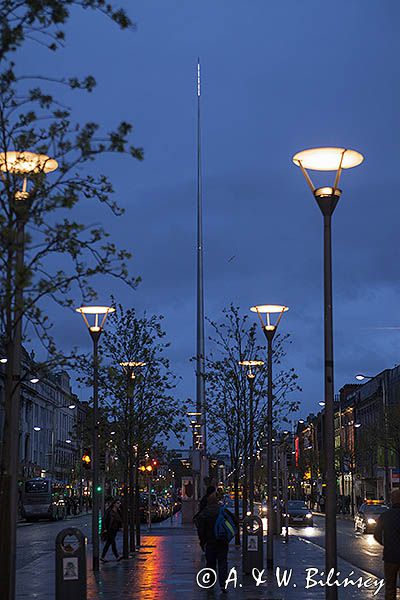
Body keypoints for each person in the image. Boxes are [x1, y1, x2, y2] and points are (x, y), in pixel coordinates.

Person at [196, 494, 237, 594]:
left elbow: (200, 529)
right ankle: (223, 585)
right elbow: (234, 521)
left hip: (210, 542)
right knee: (223, 563)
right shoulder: (223, 511)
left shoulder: (205, 513)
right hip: (222, 541)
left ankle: (210, 583)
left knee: (210, 563)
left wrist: (202, 542)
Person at [374, 488, 400, 600]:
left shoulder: (385, 516)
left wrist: (386, 544)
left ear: (392, 500)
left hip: (390, 556)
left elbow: (377, 535)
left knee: (390, 586)